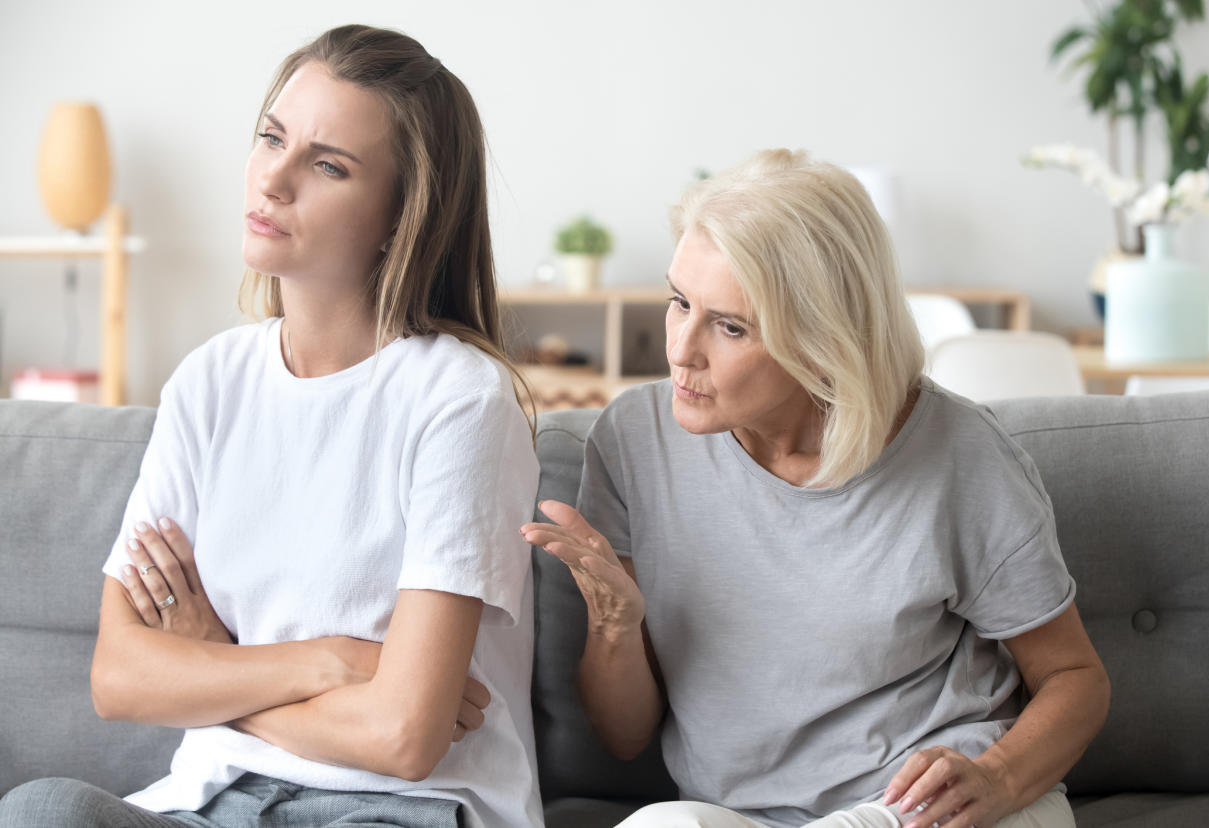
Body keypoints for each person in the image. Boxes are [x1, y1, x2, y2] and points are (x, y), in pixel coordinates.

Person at [0, 25, 542, 828]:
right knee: (42, 809)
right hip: (214, 799)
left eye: (328, 164)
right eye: (271, 138)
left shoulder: (461, 399)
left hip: (401, 810)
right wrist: (332, 663)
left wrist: (215, 668)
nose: (273, 180)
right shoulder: (209, 382)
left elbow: (403, 737)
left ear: (404, 215)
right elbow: (119, 678)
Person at [521, 149, 1110, 828]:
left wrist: (999, 780)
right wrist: (616, 627)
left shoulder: (963, 457)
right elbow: (625, 739)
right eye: (680, 301)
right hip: (746, 815)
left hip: (933, 810)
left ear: (822, 341)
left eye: (730, 325)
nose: (681, 349)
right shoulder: (635, 439)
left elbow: (1076, 680)